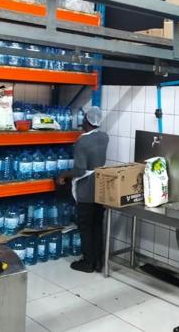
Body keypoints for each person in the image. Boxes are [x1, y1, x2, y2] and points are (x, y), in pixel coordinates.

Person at [56, 106, 109, 273]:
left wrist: (64, 175)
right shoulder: (104, 137)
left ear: (86, 120)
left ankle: (87, 262)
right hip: (100, 186)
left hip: (87, 189)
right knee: (97, 224)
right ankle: (98, 261)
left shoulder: (81, 142)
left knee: (85, 226)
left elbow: (79, 170)